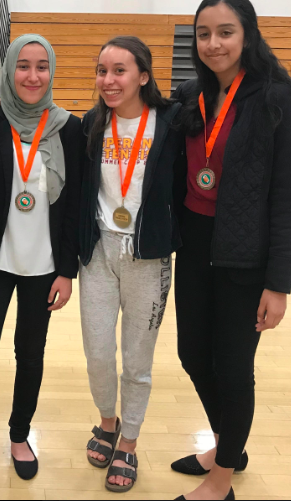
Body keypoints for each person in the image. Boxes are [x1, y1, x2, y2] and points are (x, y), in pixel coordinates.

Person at [171, 0, 291, 501]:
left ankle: (222, 477)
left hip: (245, 256)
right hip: (193, 247)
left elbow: (287, 198)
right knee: (192, 355)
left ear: (248, 35)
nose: (213, 44)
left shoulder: (276, 99)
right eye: (204, 34)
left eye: (225, 32)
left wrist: (279, 284)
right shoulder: (190, 96)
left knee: (233, 368)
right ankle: (232, 444)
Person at [0, 34, 82, 499]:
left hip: (44, 267)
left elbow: (76, 207)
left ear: (51, 72)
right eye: (22, 66)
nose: (31, 76)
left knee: (30, 355)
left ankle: (20, 435)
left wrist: (68, 271)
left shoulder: (69, 128)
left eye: (41, 66)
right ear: (8, 71)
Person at [79, 36, 183, 493]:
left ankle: (130, 443)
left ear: (144, 75)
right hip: (99, 254)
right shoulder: (89, 124)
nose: (109, 80)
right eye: (102, 70)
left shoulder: (172, 123)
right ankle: (107, 422)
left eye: (120, 70)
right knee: (99, 353)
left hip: (150, 257)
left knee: (137, 362)